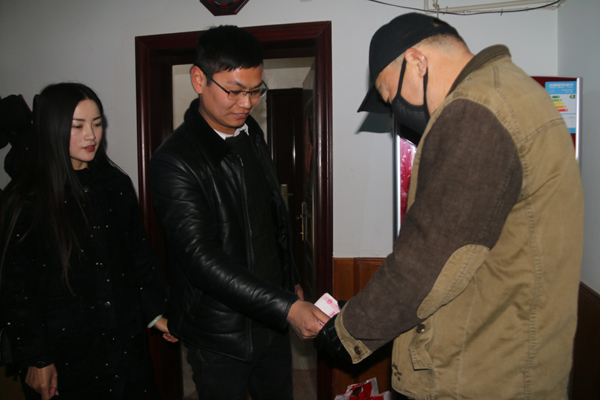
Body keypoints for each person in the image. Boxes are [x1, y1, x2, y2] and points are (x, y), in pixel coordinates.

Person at [316, 13, 584, 400]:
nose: (396, 113)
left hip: (477, 377)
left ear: (417, 62)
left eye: (391, 97)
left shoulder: (474, 110)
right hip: (510, 363)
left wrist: (348, 332)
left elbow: (431, 259)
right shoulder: (513, 92)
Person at [149, 25, 328, 400]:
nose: (246, 104)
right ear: (199, 80)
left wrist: (290, 279)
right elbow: (201, 259)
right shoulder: (175, 160)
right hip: (220, 334)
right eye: (234, 91)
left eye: (255, 91)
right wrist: (287, 306)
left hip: (271, 320)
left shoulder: (250, 134)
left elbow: (273, 216)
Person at [0, 82, 177, 400]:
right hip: (65, 354)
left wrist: (157, 313)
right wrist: (36, 357)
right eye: (78, 126)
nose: (91, 135)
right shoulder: (27, 197)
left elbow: (139, 256)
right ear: (52, 128)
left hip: (124, 347)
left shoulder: (115, 184)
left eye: (97, 124)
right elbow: (16, 288)